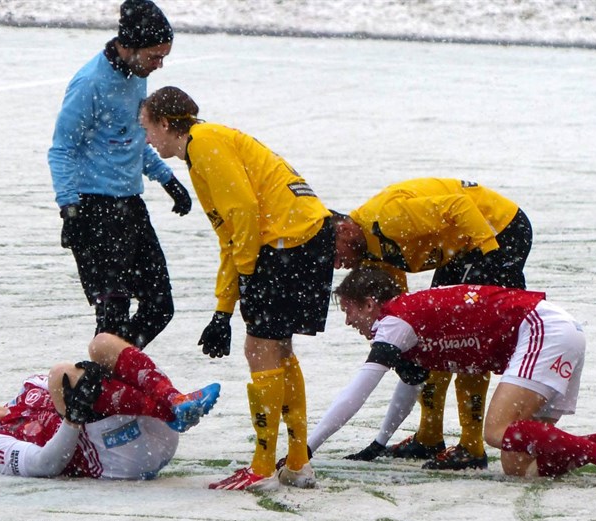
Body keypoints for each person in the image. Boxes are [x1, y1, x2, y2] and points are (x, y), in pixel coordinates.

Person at [307, 268, 596, 488]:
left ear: (370, 303)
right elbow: (409, 387)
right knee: (520, 465)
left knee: (495, 431)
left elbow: (357, 391)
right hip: (558, 329)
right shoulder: (406, 327)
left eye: (349, 310)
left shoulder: (394, 321)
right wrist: (379, 443)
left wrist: (307, 448)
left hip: (542, 328)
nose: (348, 321)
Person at [139, 86, 335, 490]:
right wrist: (223, 310)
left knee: (261, 349)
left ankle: (263, 466)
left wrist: (246, 276)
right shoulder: (207, 143)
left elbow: (242, 213)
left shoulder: (204, 144)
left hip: (287, 242)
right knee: (278, 349)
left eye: (147, 128)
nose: (147, 139)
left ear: (165, 123)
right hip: (306, 236)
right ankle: (297, 462)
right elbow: (231, 235)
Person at [332, 177, 533, 471]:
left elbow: (460, 206)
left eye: (335, 255)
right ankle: (429, 436)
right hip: (458, 244)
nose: (338, 265)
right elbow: (400, 309)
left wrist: (490, 258)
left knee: (467, 338)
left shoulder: (388, 218)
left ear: (344, 230)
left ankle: (471, 447)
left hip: (496, 230)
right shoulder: (369, 250)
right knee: (432, 335)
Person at [48, 0, 192, 349]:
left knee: (160, 306)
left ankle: (104, 373)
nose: (159, 66)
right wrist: (69, 209)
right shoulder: (89, 83)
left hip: (130, 207)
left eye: (163, 58)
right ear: (132, 45)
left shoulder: (136, 77)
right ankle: (102, 376)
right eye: (155, 57)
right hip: (92, 210)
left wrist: (167, 179)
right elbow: (61, 149)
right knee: (112, 316)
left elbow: (131, 139)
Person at [0, 333, 220, 480]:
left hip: (154, 429)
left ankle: (175, 402)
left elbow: (82, 381)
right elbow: (45, 465)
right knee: (61, 374)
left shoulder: (29, 385)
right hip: (123, 458)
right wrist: (72, 420)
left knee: (101, 343)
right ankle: (169, 408)